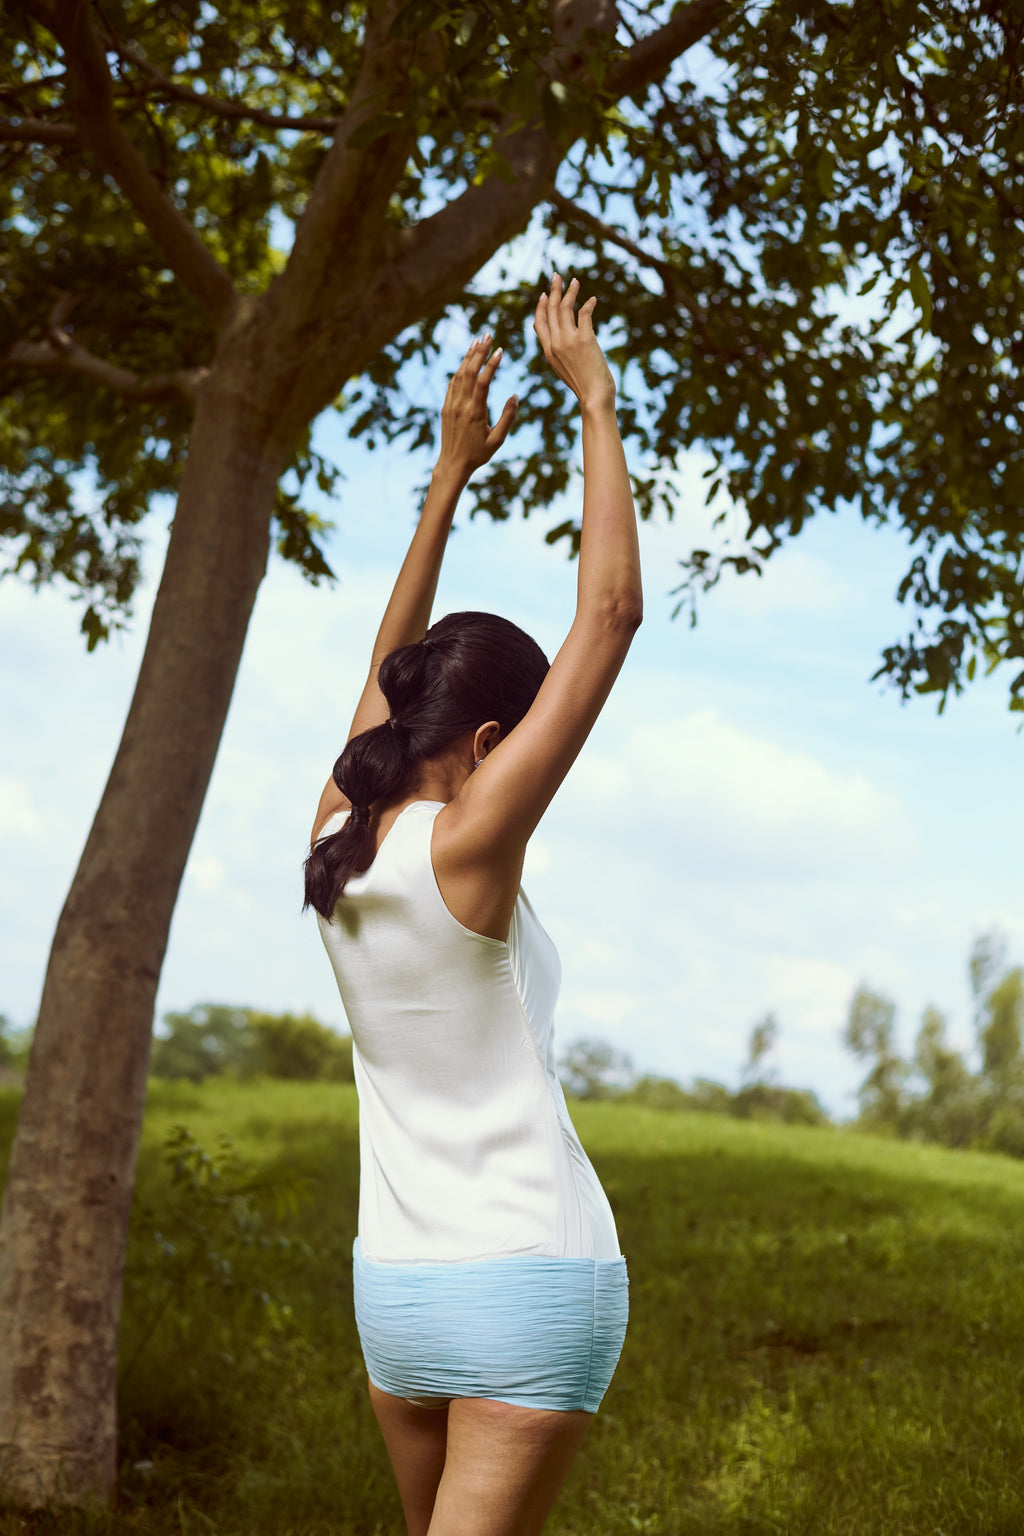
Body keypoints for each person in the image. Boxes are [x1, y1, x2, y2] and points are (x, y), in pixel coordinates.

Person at [305, 274, 642, 1536]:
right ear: (493, 738)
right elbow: (608, 617)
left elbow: (377, 681)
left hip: (393, 1295)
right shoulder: (469, 849)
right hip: (526, 1286)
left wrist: (449, 479)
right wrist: (593, 407)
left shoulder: (339, 836)